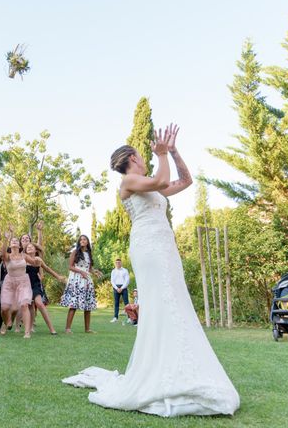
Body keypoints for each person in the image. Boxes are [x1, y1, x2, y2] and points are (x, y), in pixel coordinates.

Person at [63, 124, 240, 417]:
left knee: (175, 301)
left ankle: (179, 366)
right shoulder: (130, 181)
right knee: (160, 303)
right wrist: (161, 156)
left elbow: (185, 180)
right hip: (148, 247)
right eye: (142, 155)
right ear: (132, 158)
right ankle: (158, 373)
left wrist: (173, 152)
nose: (146, 157)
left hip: (165, 244)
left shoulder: (148, 181)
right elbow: (162, 178)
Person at [0, 229, 41, 338]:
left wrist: (38, 262)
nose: (14, 241)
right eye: (12, 241)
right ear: (10, 244)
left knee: (24, 305)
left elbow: (35, 263)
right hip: (10, 283)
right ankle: (6, 323)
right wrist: (5, 238)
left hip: (23, 282)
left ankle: (27, 332)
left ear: (19, 245)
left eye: (16, 241)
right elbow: (3, 252)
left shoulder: (24, 256)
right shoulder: (7, 256)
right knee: (4, 308)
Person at [60, 235, 101, 333]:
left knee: (88, 304)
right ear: (79, 242)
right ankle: (68, 328)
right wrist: (81, 272)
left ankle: (87, 329)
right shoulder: (75, 252)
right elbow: (70, 267)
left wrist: (95, 271)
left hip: (86, 280)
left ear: (87, 242)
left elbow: (89, 268)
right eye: (81, 239)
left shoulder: (89, 253)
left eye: (84, 239)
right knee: (74, 304)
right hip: (76, 279)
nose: (82, 241)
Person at [25, 242, 65, 335]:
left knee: (39, 304)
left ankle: (52, 329)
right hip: (25, 285)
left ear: (35, 250)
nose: (30, 248)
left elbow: (47, 269)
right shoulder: (24, 259)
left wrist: (58, 276)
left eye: (32, 247)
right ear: (25, 250)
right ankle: (30, 328)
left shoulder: (38, 259)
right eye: (28, 247)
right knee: (30, 306)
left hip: (35, 285)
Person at [110, 258, 130, 322]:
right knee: (116, 303)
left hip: (123, 287)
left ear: (121, 263)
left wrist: (122, 288)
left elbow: (127, 280)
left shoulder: (125, 270)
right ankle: (115, 317)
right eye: (117, 263)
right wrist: (116, 288)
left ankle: (129, 318)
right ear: (115, 263)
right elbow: (112, 281)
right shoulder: (113, 271)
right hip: (116, 287)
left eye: (119, 262)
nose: (118, 264)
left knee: (126, 303)